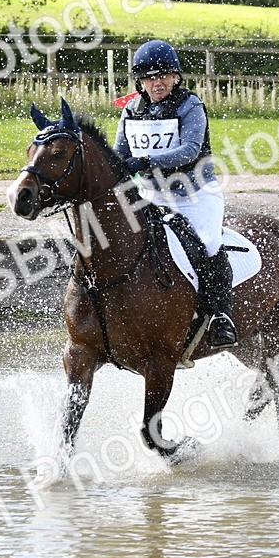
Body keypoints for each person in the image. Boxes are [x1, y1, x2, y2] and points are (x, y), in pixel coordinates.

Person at [114, 39, 237, 349]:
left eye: (164, 76)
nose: (158, 83)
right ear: (140, 82)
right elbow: (119, 152)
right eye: (150, 77)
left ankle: (221, 316)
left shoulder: (189, 105)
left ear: (175, 77)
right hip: (153, 195)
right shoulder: (131, 109)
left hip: (195, 194)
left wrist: (145, 161)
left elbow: (190, 150)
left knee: (208, 243)